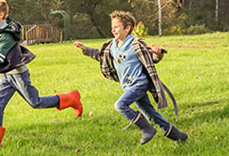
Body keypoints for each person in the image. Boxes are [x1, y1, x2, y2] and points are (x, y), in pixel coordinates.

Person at [0, 0, 82, 149]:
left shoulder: (6, 36)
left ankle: (70, 99)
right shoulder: (6, 25)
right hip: (7, 74)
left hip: (17, 74)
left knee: (35, 102)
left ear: (1, 14)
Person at [73, 10, 187, 145]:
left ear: (127, 28)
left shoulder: (135, 44)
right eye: (112, 27)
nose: (113, 30)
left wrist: (158, 54)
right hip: (128, 86)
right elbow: (101, 56)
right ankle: (178, 136)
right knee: (150, 114)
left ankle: (146, 129)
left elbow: (152, 58)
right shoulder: (112, 46)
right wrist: (85, 49)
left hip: (139, 84)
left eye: (116, 27)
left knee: (120, 105)